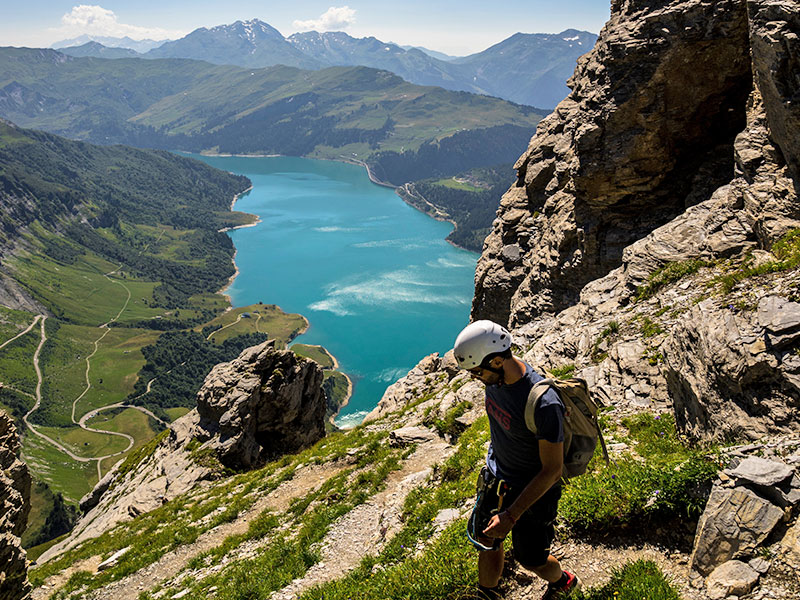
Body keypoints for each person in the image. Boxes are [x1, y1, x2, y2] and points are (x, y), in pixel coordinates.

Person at [453, 320, 580, 600]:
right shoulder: (497, 378)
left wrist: (511, 515)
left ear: (497, 360)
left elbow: (552, 470)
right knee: (487, 541)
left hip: (533, 492)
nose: (476, 378)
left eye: (478, 371)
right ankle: (487, 594)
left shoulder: (544, 403)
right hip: (498, 477)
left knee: (531, 559)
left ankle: (563, 581)